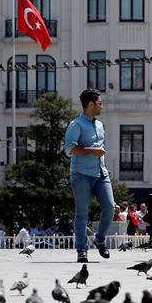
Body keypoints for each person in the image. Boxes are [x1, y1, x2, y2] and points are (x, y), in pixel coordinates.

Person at [64, 89, 114, 263]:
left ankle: (99, 240)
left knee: (109, 207)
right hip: (81, 174)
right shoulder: (76, 125)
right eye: (100, 103)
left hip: (101, 173)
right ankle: (81, 250)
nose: (102, 106)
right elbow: (69, 149)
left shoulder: (100, 125)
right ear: (91, 104)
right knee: (82, 213)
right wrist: (92, 151)